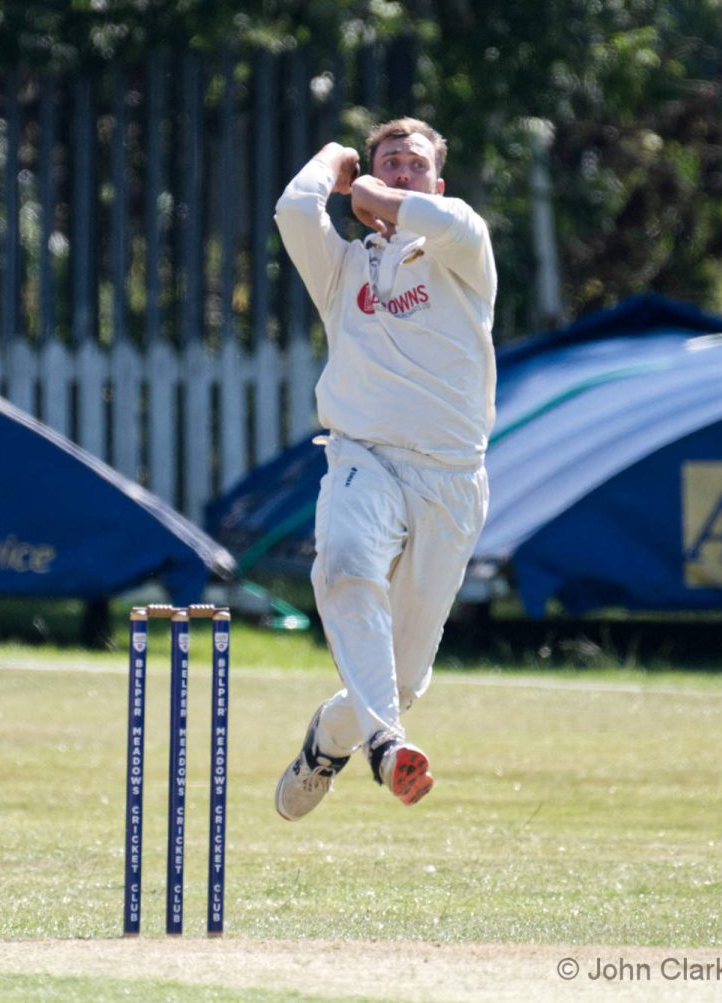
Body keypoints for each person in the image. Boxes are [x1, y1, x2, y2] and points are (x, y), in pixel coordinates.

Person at [271, 118, 497, 819]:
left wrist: (366, 187)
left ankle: (325, 745)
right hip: (362, 454)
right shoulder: (344, 269)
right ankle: (384, 747)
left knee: (399, 682)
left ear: (438, 182)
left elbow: (411, 211)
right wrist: (333, 156)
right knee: (344, 562)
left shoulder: (463, 240)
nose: (401, 171)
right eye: (388, 160)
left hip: (450, 477)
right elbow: (293, 210)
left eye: (414, 162)